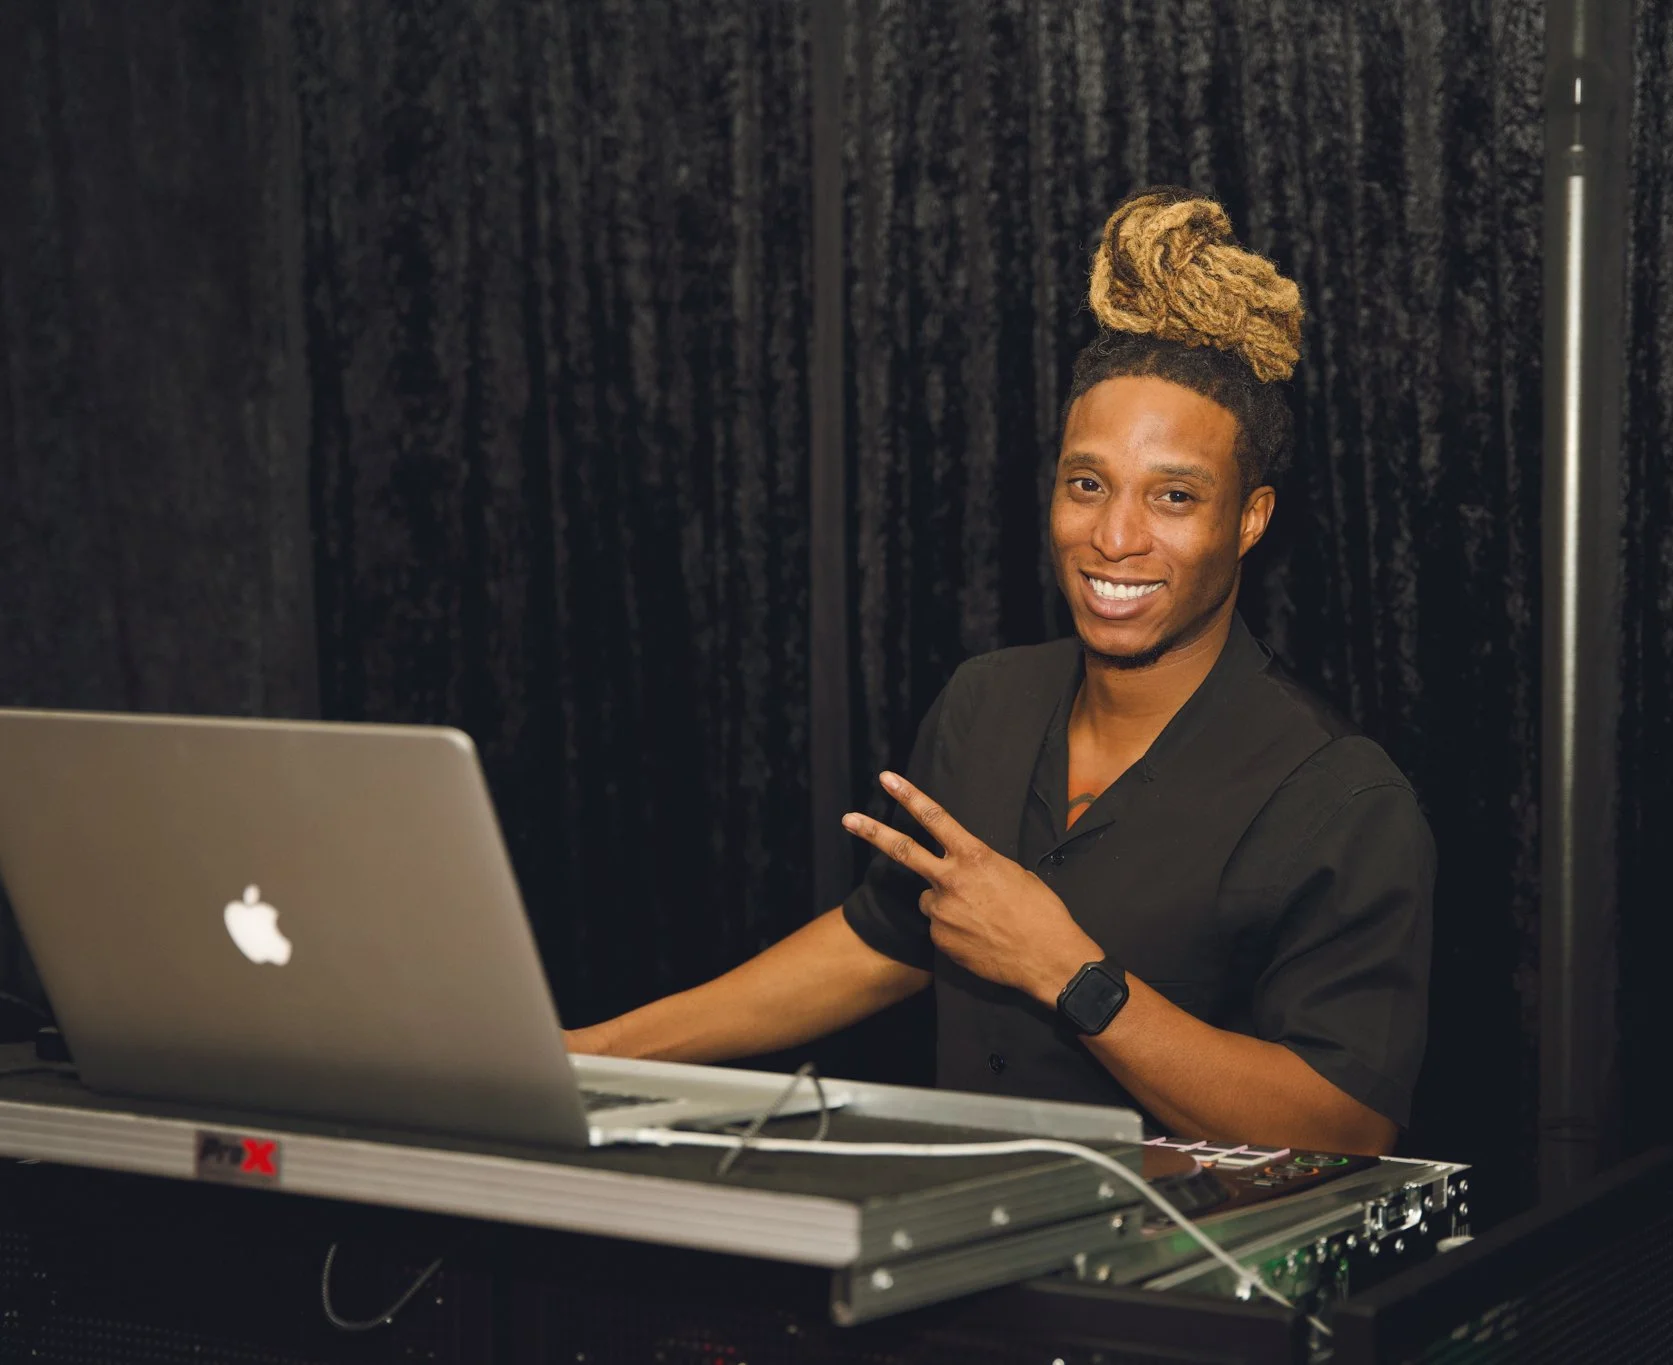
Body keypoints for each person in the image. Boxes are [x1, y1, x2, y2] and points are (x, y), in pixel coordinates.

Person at [567, 188, 1433, 1155]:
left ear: (1250, 519)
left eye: (1175, 497)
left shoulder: (1340, 797)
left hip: (1183, 1296)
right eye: (1087, 483)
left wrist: (1072, 974)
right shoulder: (987, 701)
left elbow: (1346, 1130)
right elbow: (889, 937)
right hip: (969, 1262)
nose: (1114, 536)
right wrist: (597, 1053)